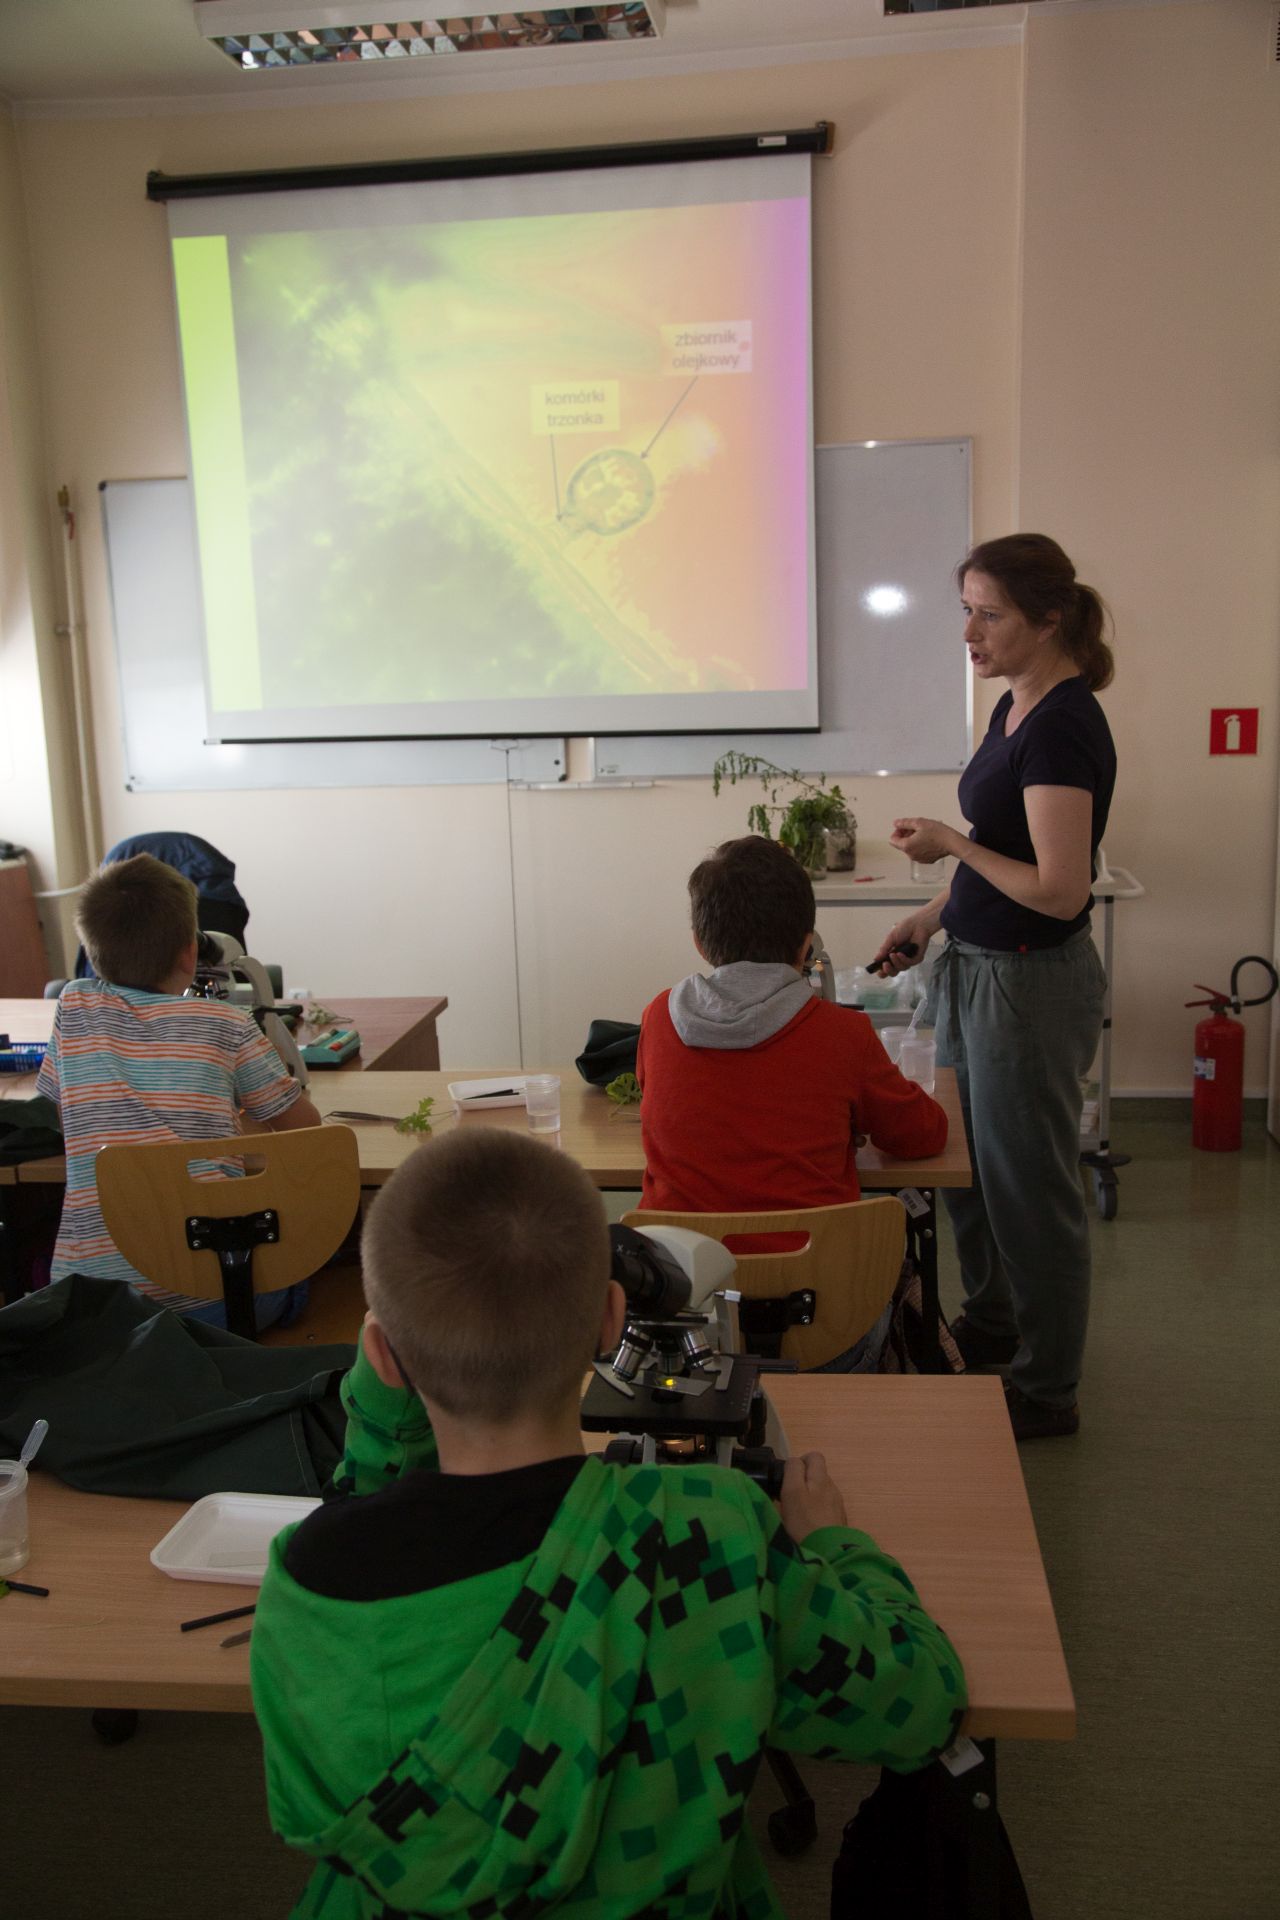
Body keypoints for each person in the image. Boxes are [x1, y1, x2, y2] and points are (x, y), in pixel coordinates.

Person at [250, 1128, 966, 1920]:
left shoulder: (307, 1585)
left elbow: (363, 1508)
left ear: (381, 1357)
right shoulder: (707, 1541)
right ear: (611, 1322)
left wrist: (388, 1397)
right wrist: (834, 1543)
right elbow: (923, 1704)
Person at [871, 533, 1116, 1442]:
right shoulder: (1015, 704)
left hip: (1026, 987)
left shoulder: (1060, 726)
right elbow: (1002, 847)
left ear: (1048, 620)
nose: (969, 633)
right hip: (976, 963)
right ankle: (994, 1323)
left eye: (989, 615)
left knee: (1029, 1192)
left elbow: (1059, 888)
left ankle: (1047, 1389)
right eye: (966, 611)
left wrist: (950, 844)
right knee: (964, 1169)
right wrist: (933, 914)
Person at [37, 852, 321, 1327]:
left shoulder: (74, 1004)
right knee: (308, 1263)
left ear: (91, 951)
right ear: (191, 953)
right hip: (216, 1298)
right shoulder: (227, 1022)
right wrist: (241, 1119)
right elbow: (305, 1131)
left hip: (91, 1308)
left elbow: (65, 1114)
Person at [637, 833, 948, 1220]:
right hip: (815, 1257)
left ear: (699, 943)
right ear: (806, 947)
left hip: (682, 1255)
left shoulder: (659, 1017)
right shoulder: (844, 1034)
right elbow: (924, 1135)